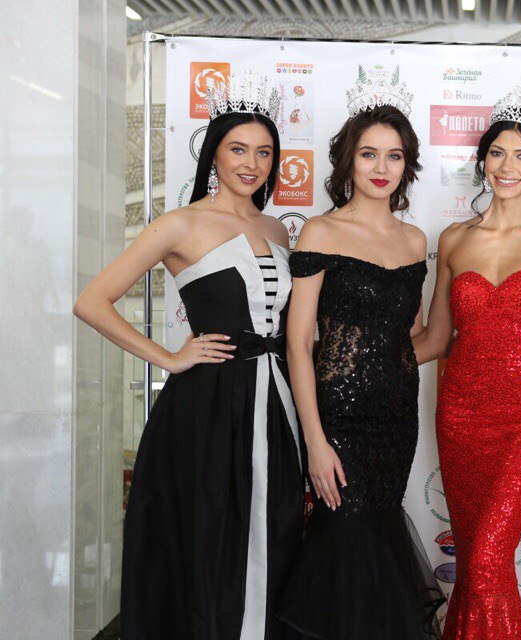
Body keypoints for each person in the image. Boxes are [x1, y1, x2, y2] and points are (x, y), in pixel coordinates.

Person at [74, 72, 303, 639]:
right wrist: (168, 357)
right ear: (214, 153)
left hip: (277, 404)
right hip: (207, 407)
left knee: (273, 531)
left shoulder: (277, 228)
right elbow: (91, 301)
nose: (252, 163)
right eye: (238, 149)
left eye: (264, 152)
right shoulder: (179, 223)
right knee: (209, 538)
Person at [413, 85, 521, 640]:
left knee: (487, 558)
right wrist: (360, 361)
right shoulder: (454, 239)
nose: (507, 167)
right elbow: (435, 339)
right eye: (497, 153)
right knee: (475, 565)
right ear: (482, 158)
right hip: (460, 415)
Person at [277, 68, 444, 639]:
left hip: (396, 420)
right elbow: (298, 342)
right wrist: (315, 441)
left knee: (378, 539)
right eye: (369, 154)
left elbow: (410, 335)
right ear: (348, 159)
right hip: (339, 420)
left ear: (406, 165)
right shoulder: (320, 232)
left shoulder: (415, 241)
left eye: (394, 156)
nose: (381, 167)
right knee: (341, 543)